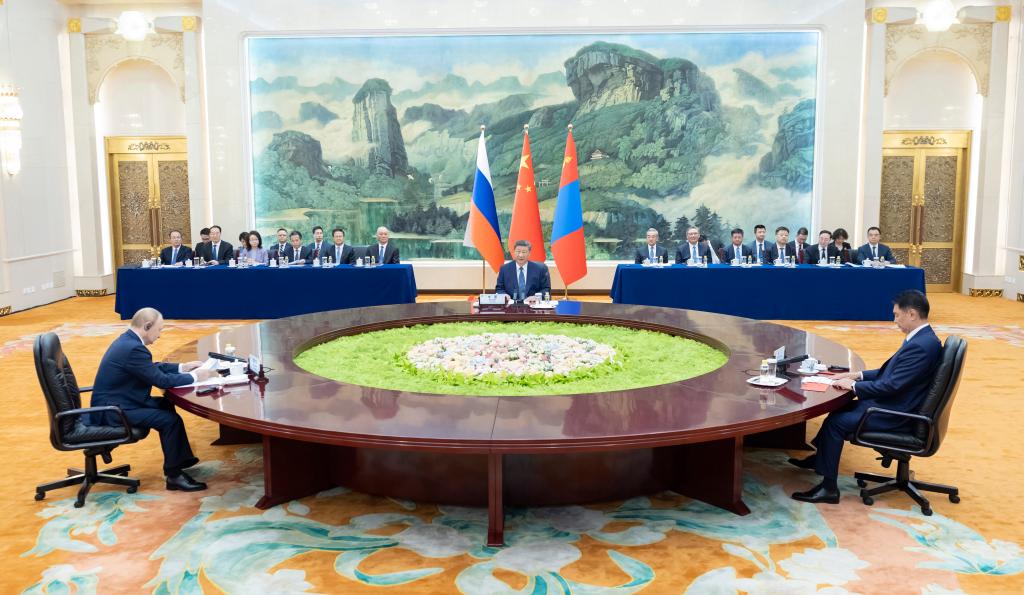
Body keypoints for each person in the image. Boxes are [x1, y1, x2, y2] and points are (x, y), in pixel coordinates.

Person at [790, 290, 941, 504]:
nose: (894, 320)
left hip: (896, 413)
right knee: (839, 408)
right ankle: (821, 459)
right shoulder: (924, 339)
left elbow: (892, 385)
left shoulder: (920, 346)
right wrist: (857, 375)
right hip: (898, 403)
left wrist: (853, 386)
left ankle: (829, 488)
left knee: (836, 423)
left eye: (897, 315)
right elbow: (891, 373)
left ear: (912, 314)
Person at [88, 308, 219, 491]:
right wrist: (196, 376)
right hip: (113, 411)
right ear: (147, 326)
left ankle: (179, 460)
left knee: (164, 403)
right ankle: (174, 476)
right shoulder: (133, 348)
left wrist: (183, 367)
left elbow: (150, 367)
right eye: (159, 329)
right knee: (169, 421)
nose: (159, 335)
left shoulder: (127, 341)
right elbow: (161, 381)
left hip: (119, 401)